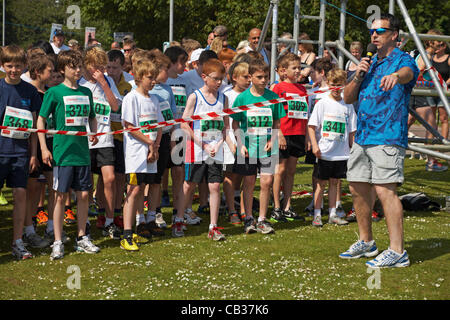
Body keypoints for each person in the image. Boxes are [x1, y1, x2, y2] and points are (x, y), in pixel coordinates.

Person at [340, 13, 419, 268]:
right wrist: (358, 75)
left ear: (394, 35)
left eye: (380, 31)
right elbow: (348, 97)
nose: (374, 35)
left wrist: (397, 76)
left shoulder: (402, 60)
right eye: (372, 32)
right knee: (356, 186)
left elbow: (408, 73)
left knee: (386, 190)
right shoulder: (369, 62)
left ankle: (398, 251)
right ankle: (367, 242)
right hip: (363, 135)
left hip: (388, 135)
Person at [37, 49, 101, 260]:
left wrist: (94, 131)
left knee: (84, 195)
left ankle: (82, 237)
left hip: (82, 152)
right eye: (73, 66)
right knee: (59, 197)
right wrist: (44, 148)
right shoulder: (54, 93)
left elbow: (92, 117)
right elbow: (41, 120)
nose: (77, 70)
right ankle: (57, 240)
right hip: (62, 153)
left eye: (79, 66)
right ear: (63, 69)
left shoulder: (86, 92)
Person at [173, 58, 232, 240]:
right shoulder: (195, 96)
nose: (219, 83)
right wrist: (203, 144)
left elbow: (226, 126)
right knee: (189, 184)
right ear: (204, 77)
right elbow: (184, 124)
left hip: (215, 149)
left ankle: (213, 226)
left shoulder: (224, 98)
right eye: (215, 79)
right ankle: (179, 220)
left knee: (214, 185)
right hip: (197, 149)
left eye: (221, 79)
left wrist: (219, 145)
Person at [231, 59, 286, 234]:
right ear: (250, 77)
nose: (264, 80)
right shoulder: (242, 98)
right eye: (259, 77)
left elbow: (277, 121)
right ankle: (248, 218)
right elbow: (235, 124)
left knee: (267, 182)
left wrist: (274, 138)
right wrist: (240, 144)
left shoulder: (273, 97)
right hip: (248, 147)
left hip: (267, 147)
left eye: (266, 77)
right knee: (248, 182)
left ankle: (262, 219)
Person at [0, 45, 41, 260]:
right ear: (3, 66)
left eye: (17, 66)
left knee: (20, 195)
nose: (13, 70)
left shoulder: (30, 91)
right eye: (9, 66)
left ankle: (18, 241)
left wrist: (33, 154)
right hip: (1, 153)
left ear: (24, 66)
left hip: (21, 154)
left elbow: (34, 128)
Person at [79, 46, 122, 240]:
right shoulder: (79, 83)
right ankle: (86, 220)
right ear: (86, 65)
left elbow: (115, 106)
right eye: (95, 66)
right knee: (85, 183)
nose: (99, 70)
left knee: (110, 179)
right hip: (85, 139)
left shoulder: (108, 81)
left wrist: (104, 83)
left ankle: (110, 220)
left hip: (105, 137)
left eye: (101, 67)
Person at [120, 58, 163, 251]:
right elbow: (130, 127)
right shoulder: (131, 98)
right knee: (134, 189)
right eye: (149, 78)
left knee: (146, 186)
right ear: (138, 77)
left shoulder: (154, 99)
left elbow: (159, 126)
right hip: (136, 154)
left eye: (155, 78)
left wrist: (156, 147)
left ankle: (140, 226)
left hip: (151, 152)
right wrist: (149, 144)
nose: (153, 81)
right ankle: (127, 234)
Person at [307, 68, 357, 227]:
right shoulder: (322, 103)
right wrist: (314, 145)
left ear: (345, 85)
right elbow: (312, 126)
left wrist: (353, 148)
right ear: (328, 84)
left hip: (341, 153)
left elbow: (352, 130)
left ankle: (333, 213)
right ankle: (316, 214)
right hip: (324, 152)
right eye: (333, 85)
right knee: (320, 184)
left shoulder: (347, 105)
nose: (336, 89)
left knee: (335, 183)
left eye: (340, 85)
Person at [24, 53, 56, 249]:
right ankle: (28, 229)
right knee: (31, 188)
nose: (53, 74)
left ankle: (52, 228)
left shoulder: (51, 92)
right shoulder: (28, 92)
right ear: (38, 72)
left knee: (55, 187)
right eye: (50, 71)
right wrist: (35, 152)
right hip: (31, 146)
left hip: (52, 145)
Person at [271, 53, 308, 222]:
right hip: (284, 132)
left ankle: (287, 206)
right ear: (284, 71)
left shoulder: (302, 89)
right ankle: (276, 207)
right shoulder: (278, 88)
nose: (298, 71)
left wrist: (306, 136)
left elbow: (305, 115)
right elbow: (273, 113)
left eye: (300, 68)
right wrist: (278, 133)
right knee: (280, 170)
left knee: (291, 172)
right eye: (295, 68)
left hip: (298, 133)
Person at [408, 29, 447, 172]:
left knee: (407, 122)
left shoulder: (427, 55)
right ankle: (431, 161)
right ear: (430, 42)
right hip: (417, 95)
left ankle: (393, 149)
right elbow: (417, 71)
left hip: (415, 94)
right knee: (431, 125)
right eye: (438, 41)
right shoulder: (425, 55)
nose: (441, 43)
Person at [105, 49, 132, 228]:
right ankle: (102, 211)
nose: (110, 71)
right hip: (105, 135)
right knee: (106, 178)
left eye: (114, 68)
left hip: (122, 137)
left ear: (122, 66)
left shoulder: (129, 85)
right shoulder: (103, 81)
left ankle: (117, 211)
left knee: (121, 176)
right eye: (108, 67)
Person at [222, 61, 251, 224]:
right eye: (245, 77)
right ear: (234, 77)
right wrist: (231, 142)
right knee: (229, 176)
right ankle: (231, 209)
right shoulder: (228, 95)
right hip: (230, 141)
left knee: (242, 175)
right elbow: (227, 122)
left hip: (245, 141)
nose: (249, 80)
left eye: (250, 77)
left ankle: (241, 208)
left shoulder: (249, 95)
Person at [164, 46, 189, 218]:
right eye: (183, 62)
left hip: (180, 132)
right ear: (173, 62)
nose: (185, 66)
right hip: (165, 132)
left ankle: (177, 205)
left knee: (178, 170)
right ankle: (161, 198)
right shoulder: (163, 82)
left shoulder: (185, 81)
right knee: (162, 170)